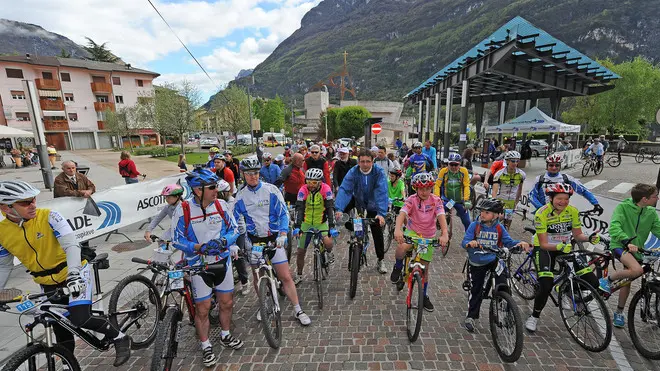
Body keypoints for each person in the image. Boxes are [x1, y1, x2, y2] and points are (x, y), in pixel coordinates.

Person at [0, 180, 131, 366]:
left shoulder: (49, 216)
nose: (33, 205)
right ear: (6, 208)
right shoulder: (2, 232)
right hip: (46, 281)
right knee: (59, 326)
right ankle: (67, 363)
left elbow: (71, 245)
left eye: (34, 199)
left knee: (80, 318)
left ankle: (119, 337)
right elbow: (4, 266)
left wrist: (74, 274)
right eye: (25, 202)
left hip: (74, 272)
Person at [171, 168, 243, 366]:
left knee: (227, 302)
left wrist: (223, 242)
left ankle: (225, 335)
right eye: (211, 187)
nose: (215, 190)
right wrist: (197, 247)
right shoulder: (183, 209)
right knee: (202, 309)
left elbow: (234, 229)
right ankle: (205, 345)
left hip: (222, 262)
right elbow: (176, 239)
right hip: (198, 266)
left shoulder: (220, 205)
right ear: (197, 190)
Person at [233, 158, 312, 326]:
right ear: (243, 175)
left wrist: (283, 233)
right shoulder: (240, 196)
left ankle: (298, 309)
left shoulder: (271, 190)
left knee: (285, 276)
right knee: (258, 275)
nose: (253, 177)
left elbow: (283, 214)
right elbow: (234, 222)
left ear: (259, 174)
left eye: (255, 173)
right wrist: (235, 242)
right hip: (254, 241)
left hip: (274, 238)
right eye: (249, 174)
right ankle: (265, 303)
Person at [524, 183, 601, 332]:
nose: (563, 202)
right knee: (545, 285)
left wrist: (589, 238)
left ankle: (563, 289)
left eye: (566, 199)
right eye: (559, 198)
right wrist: (559, 246)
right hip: (545, 248)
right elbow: (544, 244)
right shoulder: (542, 213)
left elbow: (578, 235)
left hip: (564, 247)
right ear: (551, 198)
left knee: (592, 281)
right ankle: (534, 316)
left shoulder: (572, 211)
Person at [461, 198, 530, 332]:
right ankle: (472, 316)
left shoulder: (499, 227)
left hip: (493, 259)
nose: (482, 214)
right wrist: (470, 243)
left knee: (504, 284)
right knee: (476, 290)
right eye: (482, 212)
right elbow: (465, 241)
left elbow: (508, 242)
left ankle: (507, 311)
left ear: (497, 215)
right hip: (477, 262)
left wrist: (520, 243)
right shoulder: (474, 226)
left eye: (487, 212)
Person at [600, 184, 660, 327]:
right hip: (620, 245)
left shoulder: (651, 212)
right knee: (637, 270)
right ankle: (607, 280)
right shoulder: (623, 208)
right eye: (655, 196)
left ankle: (619, 313)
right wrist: (626, 240)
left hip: (637, 249)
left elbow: (658, 230)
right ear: (644, 199)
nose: (657, 198)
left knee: (629, 279)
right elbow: (614, 226)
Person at [390, 172, 449, 311]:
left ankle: (424, 296)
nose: (424, 192)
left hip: (427, 237)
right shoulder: (411, 199)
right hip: (413, 232)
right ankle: (398, 266)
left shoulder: (436, 200)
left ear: (431, 188)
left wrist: (445, 234)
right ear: (416, 189)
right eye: (421, 189)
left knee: (425, 270)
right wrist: (398, 229)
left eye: (428, 188)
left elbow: (441, 217)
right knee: (402, 247)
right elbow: (402, 214)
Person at [334, 149, 389, 274]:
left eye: (368, 162)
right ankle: (355, 236)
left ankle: (380, 260)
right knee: (346, 217)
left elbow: (382, 192)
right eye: (362, 161)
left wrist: (381, 213)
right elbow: (345, 190)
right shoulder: (353, 172)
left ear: (372, 162)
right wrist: (339, 209)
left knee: (376, 229)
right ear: (358, 162)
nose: (365, 164)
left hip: (373, 202)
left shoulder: (378, 172)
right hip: (357, 199)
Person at [292, 168, 339, 283]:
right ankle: (299, 274)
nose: (310, 185)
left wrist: (332, 226)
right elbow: (299, 209)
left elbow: (330, 208)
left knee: (328, 242)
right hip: (306, 223)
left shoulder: (326, 189)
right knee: (300, 251)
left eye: (313, 182)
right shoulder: (303, 190)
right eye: (308, 182)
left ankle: (328, 253)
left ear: (319, 182)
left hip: (321, 223)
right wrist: (297, 226)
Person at [529, 153, 603, 215]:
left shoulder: (567, 178)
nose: (554, 168)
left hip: (562, 213)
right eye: (551, 165)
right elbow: (532, 195)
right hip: (543, 213)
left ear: (560, 166)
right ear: (547, 166)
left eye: (557, 165)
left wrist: (596, 204)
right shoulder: (539, 179)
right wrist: (541, 208)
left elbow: (583, 191)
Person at [217, 179, 250, 295]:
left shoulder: (232, 202)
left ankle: (245, 281)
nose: (218, 196)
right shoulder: (218, 202)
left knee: (237, 257)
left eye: (220, 193)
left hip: (238, 232)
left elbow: (230, 221)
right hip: (225, 233)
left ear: (226, 193)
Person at [433, 153, 472, 231]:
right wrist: (437, 197)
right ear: (448, 164)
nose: (453, 167)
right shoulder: (443, 171)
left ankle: (469, 239)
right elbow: (437, 185)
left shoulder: (464, 171)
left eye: (456, 164)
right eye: (451, 164)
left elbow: (466, 186)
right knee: (438, 212)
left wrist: (466, 199)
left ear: (460, 164)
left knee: (467, 222)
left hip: (460, 201)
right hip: (448, 200)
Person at [491, 151, 525, 226]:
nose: (515, 163)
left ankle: (505, 235)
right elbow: (495, 190)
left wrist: (516, 201)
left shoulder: (521, 174)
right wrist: (494, 201)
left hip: (512, 201)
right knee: (497, 219)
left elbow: (520, 189)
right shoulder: (499, 174)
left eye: (517, 161)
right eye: (513, 161)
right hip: (500, 200)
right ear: (507, 161)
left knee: (508, 223)